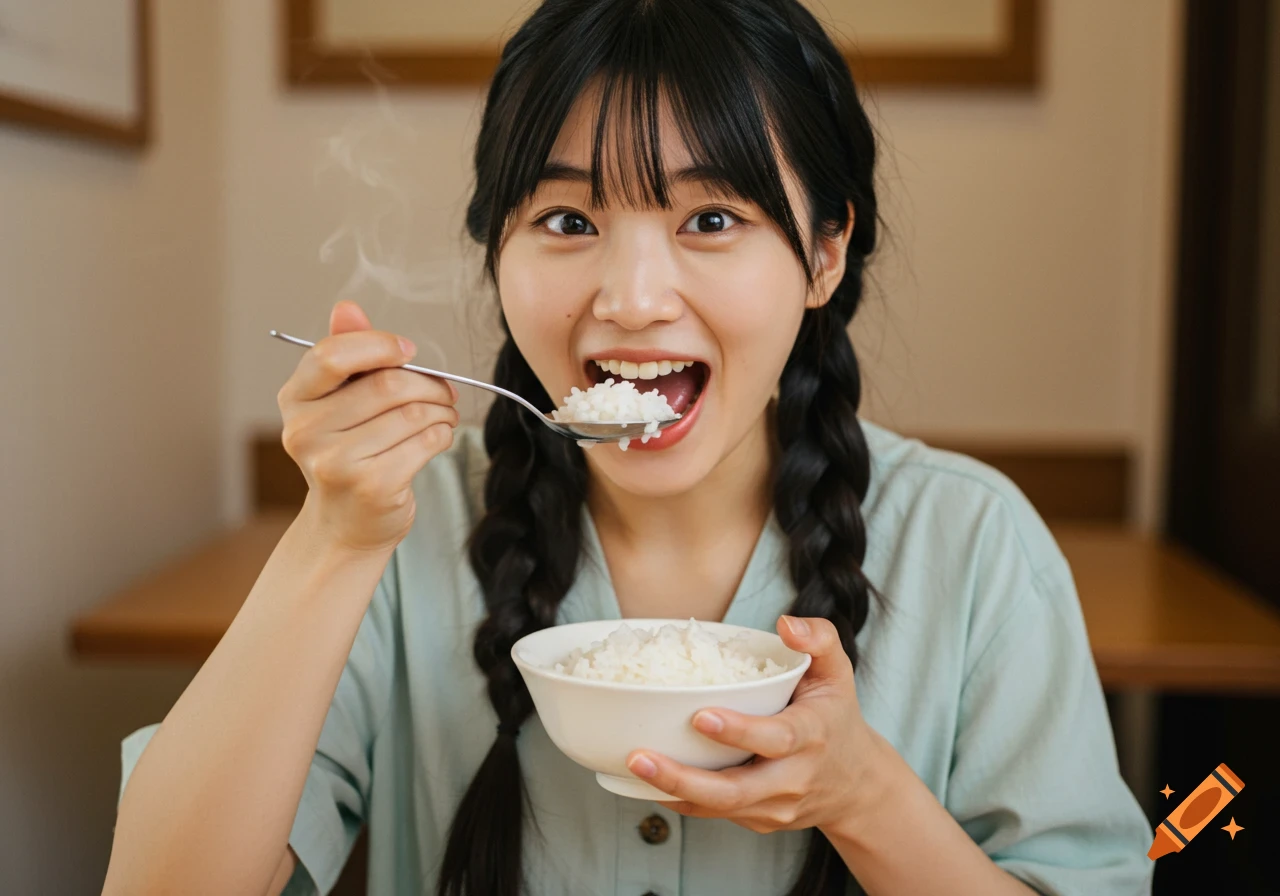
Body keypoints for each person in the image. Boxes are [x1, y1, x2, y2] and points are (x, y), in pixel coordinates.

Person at [102, 1, 1154, 894]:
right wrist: (329, 542)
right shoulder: (398, 524)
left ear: (826, 251)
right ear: (496, 246)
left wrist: (859, 794)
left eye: (710, 219)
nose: (632, 300)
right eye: (565, 219)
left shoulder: (974, 545)